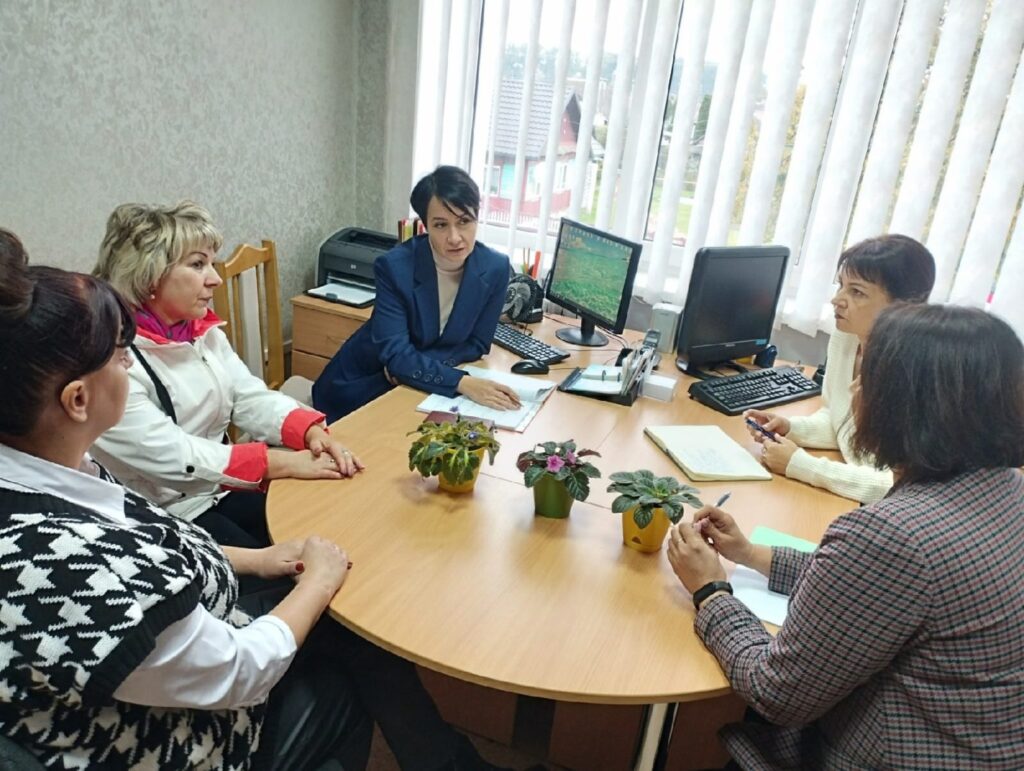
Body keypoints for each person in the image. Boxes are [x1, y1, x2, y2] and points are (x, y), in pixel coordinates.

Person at [0, 229, 508, 770]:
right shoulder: (64, 560)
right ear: (78, 399)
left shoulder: (57, 470)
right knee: (352, 629)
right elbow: (237, 671)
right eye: (118, 357)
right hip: (194, 735)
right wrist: (316, 581)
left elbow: (155, 533)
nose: (128, 363)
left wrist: (260, 557)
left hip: (201, 604)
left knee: (343, 590)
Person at [667, 303, 1024, 770]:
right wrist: (751, 554)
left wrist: (710, 591)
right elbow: (866, 587)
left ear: (905, 406)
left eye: (865, 378)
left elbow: (776, 691)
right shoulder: (1007, 487)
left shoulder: (892, 536)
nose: (854, 390)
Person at [90, 201, 364, 549]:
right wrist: (278, 462)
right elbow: (176, 457)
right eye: (197, 264)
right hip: (162, 515)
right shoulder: (112, 362)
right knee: (291, 565)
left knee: (333, 522)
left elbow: (247, 395)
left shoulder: (199, 332)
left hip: (219, 489)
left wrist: (308, 430)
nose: (216, 278)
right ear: (149, 276)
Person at [313, 166, 521, 422]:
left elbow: (477, 344)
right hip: (364, 386)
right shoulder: (395, 268)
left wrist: (410, 367)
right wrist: (462, 382)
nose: (455, 237)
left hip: (416, 385)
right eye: (441, 225)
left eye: (464, 221)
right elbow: (396, 354)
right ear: (425, 226)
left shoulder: (495, 268)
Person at [744, 234, 935, 504]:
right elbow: (840, 420)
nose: (837, 300)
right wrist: (790, 428)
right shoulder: (846, 336)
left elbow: (901, 486)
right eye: (841, 286)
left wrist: (801, 465)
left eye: (856, 292)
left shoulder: (920, 373)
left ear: (903, 306)